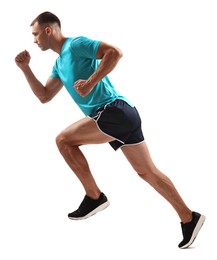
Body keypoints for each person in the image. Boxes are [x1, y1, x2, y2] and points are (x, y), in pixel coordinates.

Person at [15, 11, 205, 249]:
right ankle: (189, 218)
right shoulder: (58, 63)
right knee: (147, 172)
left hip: (113, 111)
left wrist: (91, 81)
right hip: (122, 116)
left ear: (48, 30)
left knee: (63, 140)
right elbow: (44, 95)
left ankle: (94, 197)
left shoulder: (76, 45)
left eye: (35, 34)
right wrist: (25, 69)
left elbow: (114, 53)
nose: (34, 40)